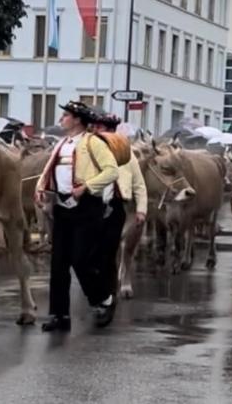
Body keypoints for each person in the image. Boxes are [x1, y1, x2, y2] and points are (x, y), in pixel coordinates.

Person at [35, 101, 120, 332]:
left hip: (87, 206)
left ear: (78, 120)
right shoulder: (62, 143)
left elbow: (111, 171)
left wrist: (87, 187)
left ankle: (103, 298)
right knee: (59, 262)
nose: (61, 119)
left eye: (66, 115)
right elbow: (49, 169)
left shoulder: (93, 142)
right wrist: (41, 188)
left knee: (80, 258)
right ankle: (60, 315)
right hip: (63, 205)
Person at [92, 112, 147, 295]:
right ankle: (101, 283)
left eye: (99, 128)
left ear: (110, 131)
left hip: (120, 204)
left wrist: (141, 210)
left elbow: (139, 185)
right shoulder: (88, 151)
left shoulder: (127, 154)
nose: (95, 131)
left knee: (122, 247)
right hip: (95, 204)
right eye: (94, 127)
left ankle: (122, 280)